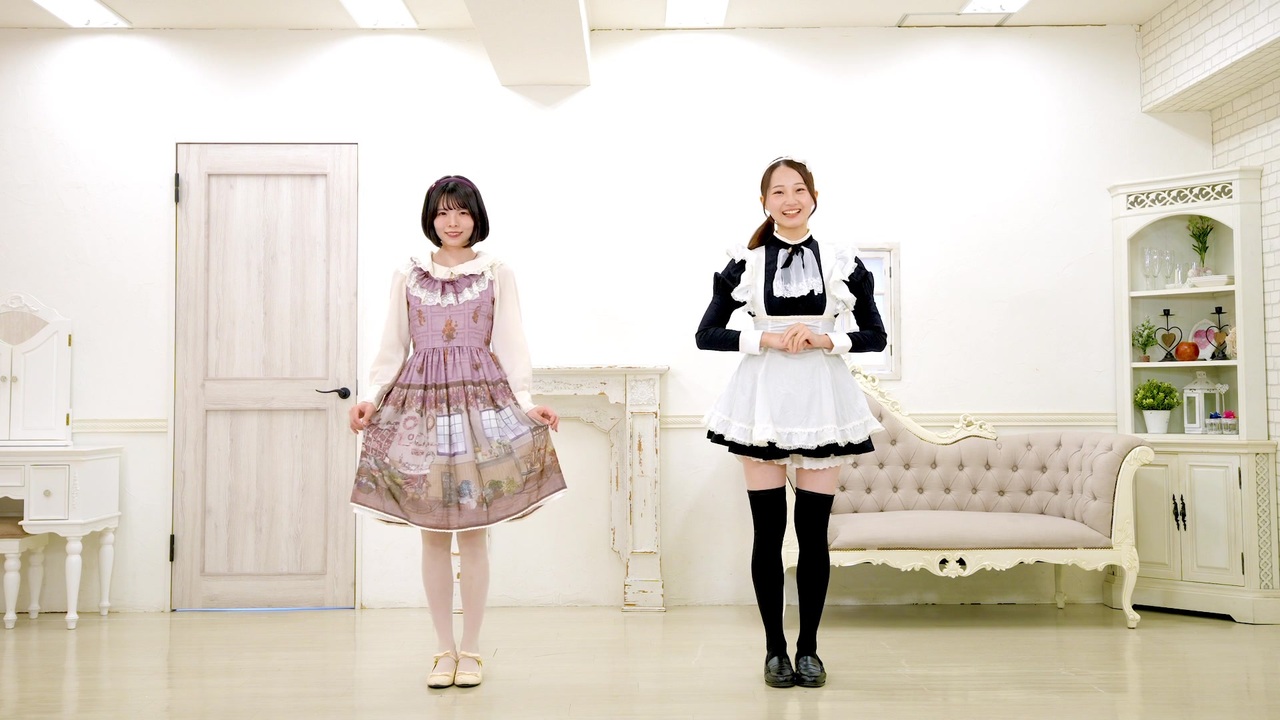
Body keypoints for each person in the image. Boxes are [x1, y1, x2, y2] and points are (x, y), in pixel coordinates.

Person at [349, 175, 566, 689]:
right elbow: (392, 345)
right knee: (431, 534)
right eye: (443, 212)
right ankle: (441, 649)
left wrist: (526, 404)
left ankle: (471, 650)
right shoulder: (408, 273)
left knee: (472, 534)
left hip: (478, 404)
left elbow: (511, 343)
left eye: (462, 212)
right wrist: (372, 396)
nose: (452, 222)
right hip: (421, 406)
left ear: (476, 217)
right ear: (431, 217)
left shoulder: (496, 272)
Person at [695, 157, 887, 689]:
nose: (789, 200)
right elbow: (706, 334)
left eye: (798, 189)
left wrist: (825, 338)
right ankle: (774, 650)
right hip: (761, 403)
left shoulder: (844, 261)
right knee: (767, 534)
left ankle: (809, 650)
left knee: (813, 535)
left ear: (813, 196)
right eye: (778, 192)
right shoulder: (744, 263)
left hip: (822, 404)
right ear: (765, 202)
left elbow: (875, 335)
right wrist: (768, 338)